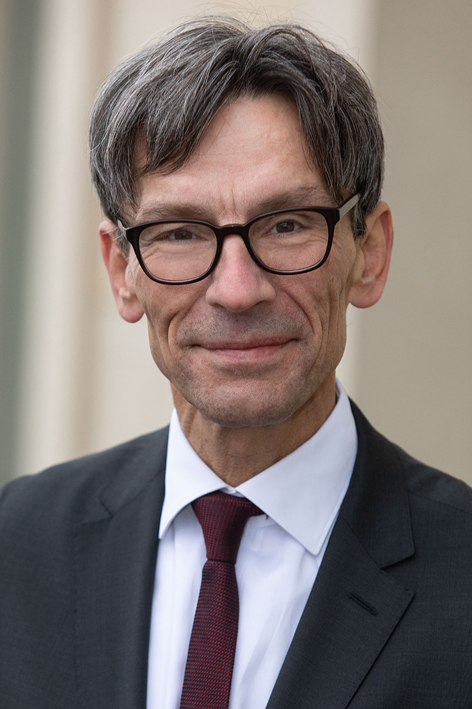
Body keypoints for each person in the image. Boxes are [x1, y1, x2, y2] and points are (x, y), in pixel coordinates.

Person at [1, 16, 472, 709]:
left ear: (370, 253)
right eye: (180, 233)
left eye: (287, 225)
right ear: (121, 270)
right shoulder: (17, 544)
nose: (237, 290)